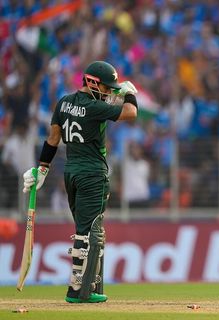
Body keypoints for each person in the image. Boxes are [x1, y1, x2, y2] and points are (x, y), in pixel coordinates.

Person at [22, 61, 138, 303]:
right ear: (93, 83)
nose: (108, 92)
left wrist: (42, 169)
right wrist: (129, 94)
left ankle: (89, 284)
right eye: (106, 88)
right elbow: (130, 113)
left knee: (85, 229)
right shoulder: (94, 106)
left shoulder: (63, 103)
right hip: (92, 174)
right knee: (87, 232)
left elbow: (53, 138)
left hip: (71, 174)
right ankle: (77, 289)